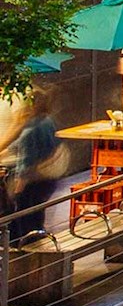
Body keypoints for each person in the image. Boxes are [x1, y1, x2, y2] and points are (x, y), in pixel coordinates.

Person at [7, 90, 62, 245]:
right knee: (37, 214)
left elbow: (26, 160)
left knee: (23, 217)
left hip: (31, 180)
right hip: (47, 178)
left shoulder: (30, 130)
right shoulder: (47, 121)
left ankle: (24, 250)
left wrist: (19, 185)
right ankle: (37, 243)